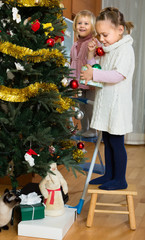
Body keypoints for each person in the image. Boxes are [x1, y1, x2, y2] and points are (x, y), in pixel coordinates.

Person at [80, 7, 135, 190]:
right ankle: (109, 174)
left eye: (105, 35)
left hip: (117, 106)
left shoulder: (125, 50)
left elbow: (117, 75)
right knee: (108, 140)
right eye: (99, 35)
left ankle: (120, 178)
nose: (101, 39)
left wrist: (94, 75)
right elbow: (99, 71)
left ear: (120, 30)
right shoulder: (108, 49)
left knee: (117, 142)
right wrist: (90, 55)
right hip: (106, 104)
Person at [70, 10, 101, 137]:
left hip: (90, 82)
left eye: (86, 23)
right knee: (81, 106)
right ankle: (84, 127)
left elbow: (97, 62)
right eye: (79, 23)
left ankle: (93, 130)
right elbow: (72, 61)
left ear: (92, 27)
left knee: (90, 107)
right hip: (77, 82)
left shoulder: (94, 43)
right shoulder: (75, 45)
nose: (82, 26)